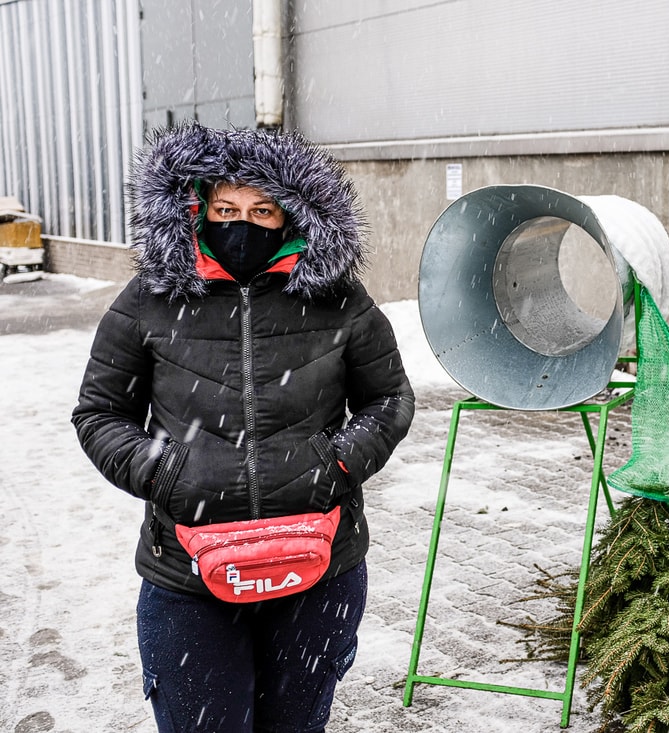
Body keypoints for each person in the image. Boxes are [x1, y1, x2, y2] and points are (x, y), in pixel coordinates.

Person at [72, 123, 415, 732]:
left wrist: (332, 465)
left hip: (317, 563)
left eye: (262, 209)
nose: (242, 224)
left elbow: (388, 399)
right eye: (225, 208)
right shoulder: (151, 297)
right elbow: (100, 412)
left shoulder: (336, 297)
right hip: (188, 574)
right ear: (195, 208)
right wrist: (167, 471)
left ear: (291, 214)